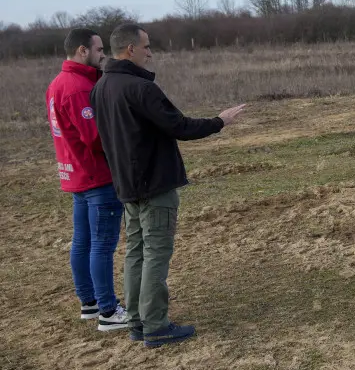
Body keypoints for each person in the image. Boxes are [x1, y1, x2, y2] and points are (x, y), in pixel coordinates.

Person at [91, 24, 246, 348]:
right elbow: (179, 126)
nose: (151, 52)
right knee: (156, 255)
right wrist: (220, 121)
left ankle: (136, 320)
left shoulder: (102, 86)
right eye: (146, 46)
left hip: (127, 186)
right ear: (130, 49)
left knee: (135, 253)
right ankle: (155, 324)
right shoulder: (140, 88)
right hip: (154, 186)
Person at [47, 28, 129, 331]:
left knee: (82, 242)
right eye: (98, 50)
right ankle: (108, 310)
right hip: (96, 176)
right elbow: (95, 137)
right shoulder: (78, 87)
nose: (103, 55)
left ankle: (90, 302)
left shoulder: (57, 83)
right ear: (83, 51)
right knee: (102, 245)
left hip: (76, 175)